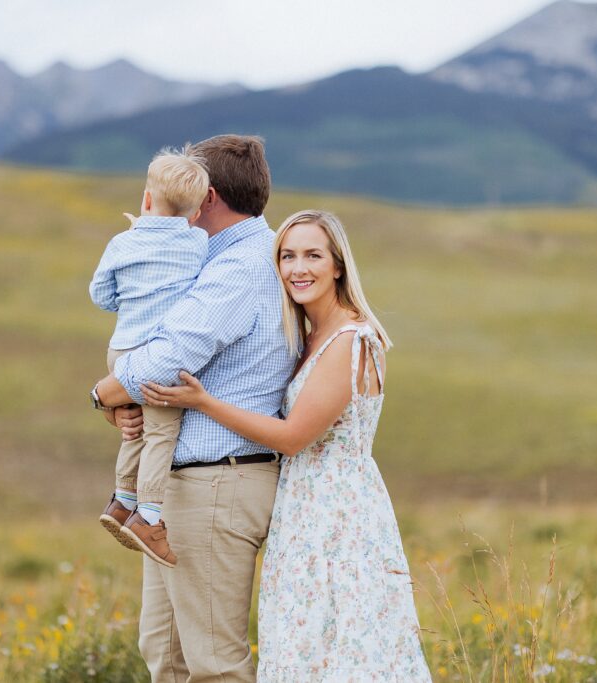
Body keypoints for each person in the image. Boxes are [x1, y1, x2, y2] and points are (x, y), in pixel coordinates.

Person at [142, 210, 433, 681]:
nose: (298, 268)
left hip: (337, 514)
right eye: (288, 256)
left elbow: (295, 436)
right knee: (302, 646)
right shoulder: (306, 336)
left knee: (345, 646)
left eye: (313, 255)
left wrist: (204, 401)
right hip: (300, 509)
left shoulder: (351, 340)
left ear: (338, 265)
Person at [89, 135, 294, 682]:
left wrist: (105, 393)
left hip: (217, 484)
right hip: (188, 486)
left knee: (212, 663)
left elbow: (170, 356)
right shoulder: (208, 257)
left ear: (207, 198)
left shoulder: (243, 265)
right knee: (166, 654)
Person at [89, 147, 210, 568]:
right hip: (158, 353)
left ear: (145, 199)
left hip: (120, 350)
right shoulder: (198, 241)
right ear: (197, 211)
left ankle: (122, 499)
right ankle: (149, 515)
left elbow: (100, 295)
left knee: (133, 428)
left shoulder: (123, 242)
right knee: (160, 434)